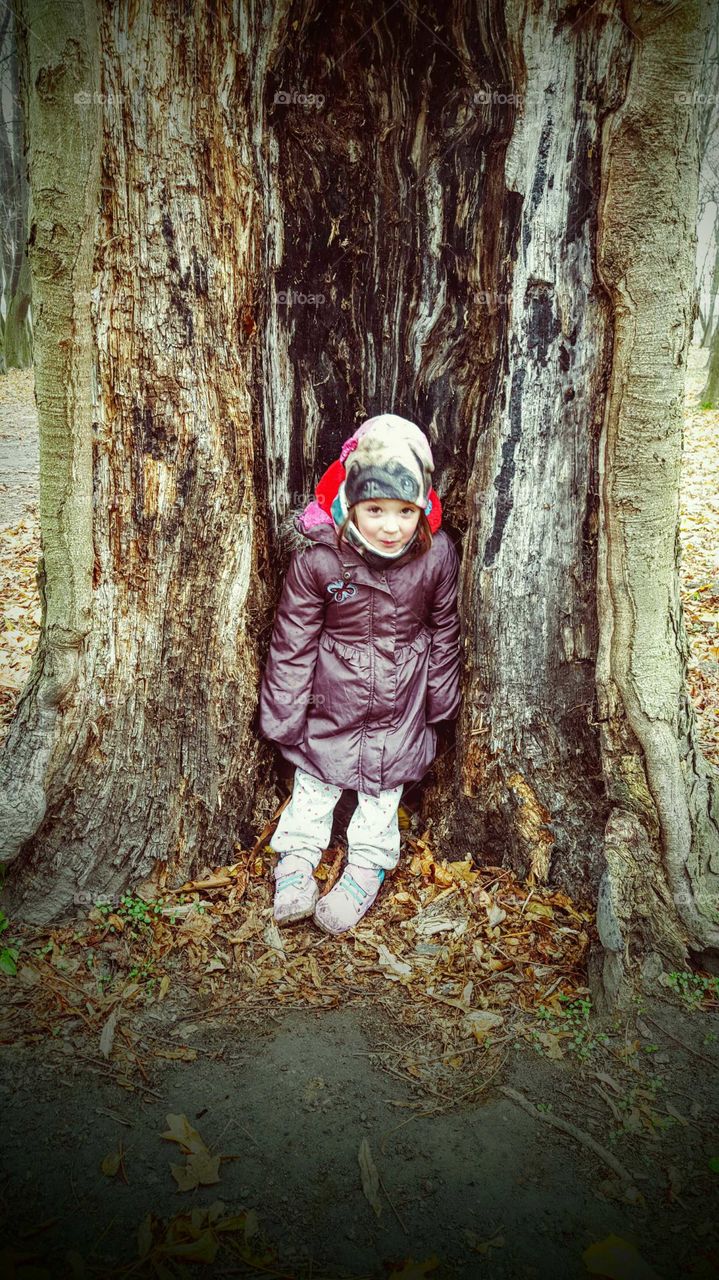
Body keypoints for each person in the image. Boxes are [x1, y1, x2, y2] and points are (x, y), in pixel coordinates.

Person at [257, 413, 461, 935]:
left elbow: (443, 626)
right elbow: (293, 640)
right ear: (350, 501)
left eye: (404, 511)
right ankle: (296, 864)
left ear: (423, 507)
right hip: (333, 701)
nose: (391, 526)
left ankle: (363, 870)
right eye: (375, 510)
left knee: (381, 796)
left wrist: (440, 697)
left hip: (400, 704)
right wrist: (284, 714)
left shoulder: (436, 556)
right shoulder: (321, 560)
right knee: (314, 786)